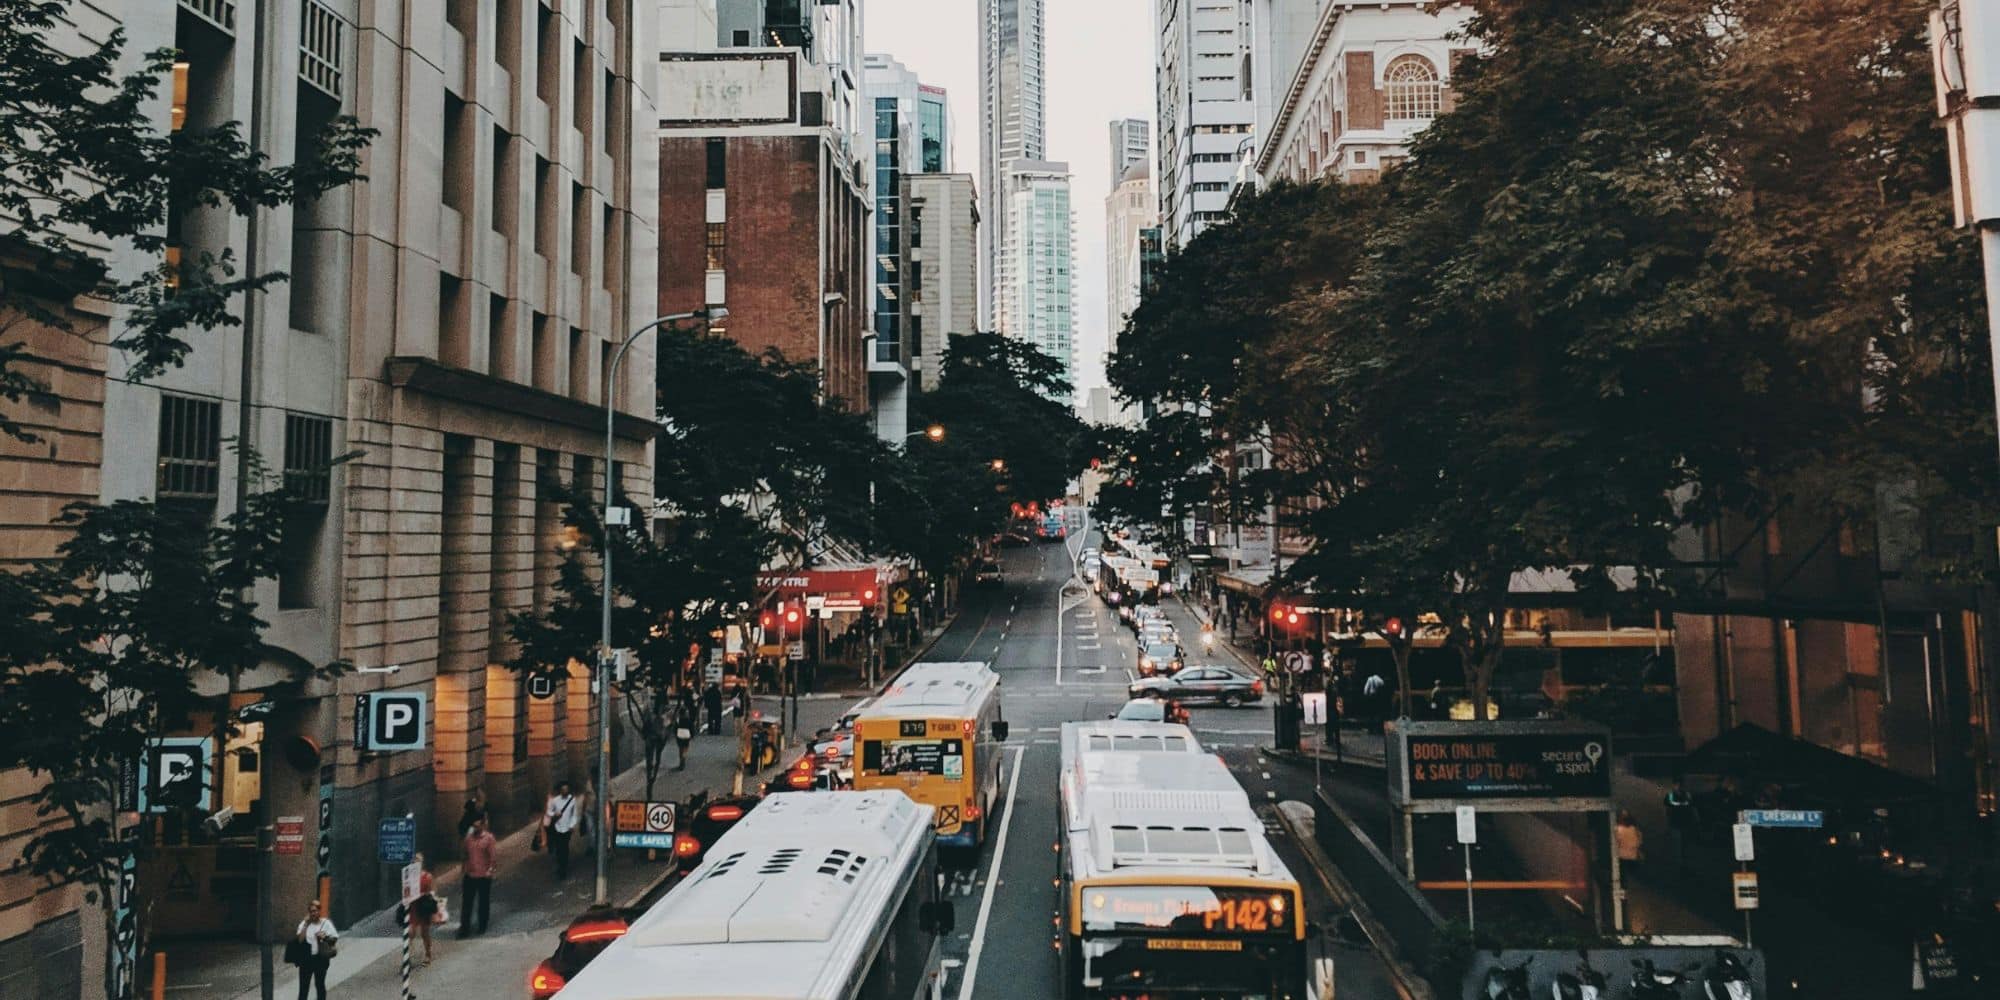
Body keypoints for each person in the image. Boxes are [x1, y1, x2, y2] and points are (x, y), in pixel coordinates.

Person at [458, 815, 496, 938]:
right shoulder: (468, 839)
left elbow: (492, 857)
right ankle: (464, 928)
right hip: (470, 875)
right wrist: (463, 869)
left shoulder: (489, 839)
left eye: (477, 825)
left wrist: (490, 871)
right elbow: (464, 854)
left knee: (483, 902)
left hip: (483, 876)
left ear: (483, 824)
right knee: (467, 903)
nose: (475, 827)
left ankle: (482, 925)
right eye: (473, 825)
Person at [292, 899, 338, 1000]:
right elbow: (299, 940)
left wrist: (324, 937)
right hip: (306, 959)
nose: (313, 913)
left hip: (320, 959)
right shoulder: (305, 924)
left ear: (319, 911)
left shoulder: (326, 923)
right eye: (311, 911)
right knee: (304, 988)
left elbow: (334, 938)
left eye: (315, 910)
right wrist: (305, 925)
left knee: (320, 985)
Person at [542, 781, 581, 880]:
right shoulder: (555, 800)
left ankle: (563, 867)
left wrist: (572, 825)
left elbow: (574, 815)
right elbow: (548, 811)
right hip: (557, 828)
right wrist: (554, 815)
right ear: (560, 791)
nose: (565, 791)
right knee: (559, 848)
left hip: (567, 828)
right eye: (563, 790)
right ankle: (560, 865)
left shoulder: (572, 800)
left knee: (565, 848)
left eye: (566, 789)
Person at [407, 868, 439, 965]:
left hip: (423, 907)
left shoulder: (427, 876)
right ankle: (407, 957)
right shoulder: (408, 877)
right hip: (413, 907)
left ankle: (428, 955)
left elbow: (432, 892)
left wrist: (423, 894)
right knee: (410, 932)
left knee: (424, 933)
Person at [1616, 811, 1645, 876]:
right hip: (1633, 857)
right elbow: (1639, 842)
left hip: (1621, 856)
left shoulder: (1618, 830)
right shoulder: (1634, 829)